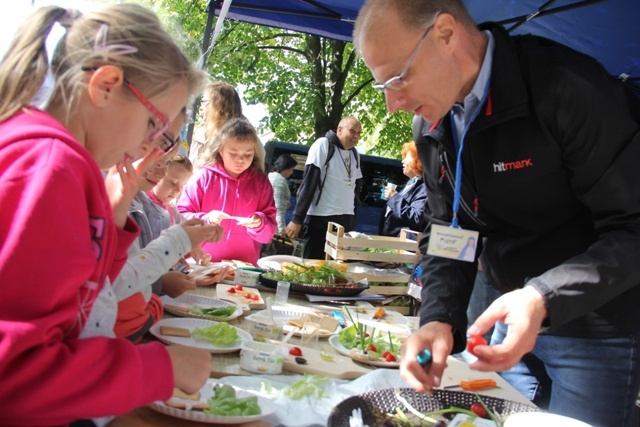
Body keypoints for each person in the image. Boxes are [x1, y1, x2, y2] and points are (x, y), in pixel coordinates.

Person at [354, 1, 640, 426]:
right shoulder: (432, 128)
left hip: (595, 332)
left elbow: (633, 227)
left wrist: (544, 297)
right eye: (383, 87)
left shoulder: (565, 87)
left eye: (398, 78)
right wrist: (436, 319)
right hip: (505, 322)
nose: (392, 103)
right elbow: (450, 229)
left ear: (446, 34)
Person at [0, 4, 214, 424]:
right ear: (106, 86)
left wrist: (111, 227)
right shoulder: (51, 168)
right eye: (155, 126)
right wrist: (160, 368)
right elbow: (13, 375)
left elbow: (77, 298)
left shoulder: (46, 155)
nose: (152, 149)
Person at [113, 116, 224, 342]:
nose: (162, 172)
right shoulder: (120, 201)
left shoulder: (140, 202)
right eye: (160, 146)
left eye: (167, 161)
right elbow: (115, 283)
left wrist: (191, 240)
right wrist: (162, 283)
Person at [177, 118, 277, 266]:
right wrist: (206, 219)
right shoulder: (202, 177)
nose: (240, 160)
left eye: (247, 154)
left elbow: (268, 234)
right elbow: (180, 219)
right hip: (202, 264)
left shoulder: (261, 183)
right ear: (221, 150)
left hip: (243, 269)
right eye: (233, 153)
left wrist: (259, 224)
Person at [283, 116, 363, 259]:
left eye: (358, 133)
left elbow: (355, 190)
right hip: (320, 219)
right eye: (352, 131)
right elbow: (309, 183)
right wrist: (297, 219)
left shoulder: (355, 154)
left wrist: (353, 221)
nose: (356, 137)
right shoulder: (323, 145)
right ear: (339, 130)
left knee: (336, 272)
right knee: (313, 269)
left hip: (346, 221)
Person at [188, 81, 243, 169]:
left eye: (204, 102)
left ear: (219, 106)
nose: (201, 108)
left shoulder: (241, 140)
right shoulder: (197, 133)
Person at [379, 141, 428, 237]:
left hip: (406, 245)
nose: (403, 161)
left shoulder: (424, 187)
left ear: (418, 161)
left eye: (407, 157)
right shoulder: (411, 183)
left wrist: (394, 197)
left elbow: (416, 217)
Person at [149, 155, 194, 227]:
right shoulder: (143, 204)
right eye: (173, 182)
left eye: (182, 186)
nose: (178, 190)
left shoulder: (171, 209)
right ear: (158, 175)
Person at [269, 153, 298, 233]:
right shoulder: (280, 182)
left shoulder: (270, 177)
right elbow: (279, 207)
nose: (292, 172)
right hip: (273, 226)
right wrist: (281, 229)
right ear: (285, 167)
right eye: (291, 169)